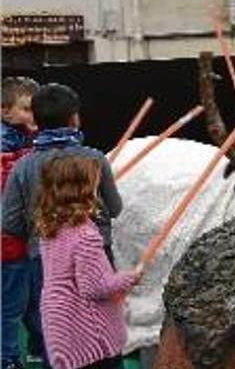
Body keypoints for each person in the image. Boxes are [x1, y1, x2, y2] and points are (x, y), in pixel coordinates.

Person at [1, 84, 124, 367]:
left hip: (44, 258)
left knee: (57, 330)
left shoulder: (24, 166)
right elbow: (115, 209)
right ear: (75, 118)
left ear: (37, 120)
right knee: (102, 324)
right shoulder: (94, 158)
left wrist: (36, 231)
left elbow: (9, 222)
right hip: (96, 254)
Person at [34, 155, 142, 369]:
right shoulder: (85, 235)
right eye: (95, 183)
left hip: (58, 320)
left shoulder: (51, 226)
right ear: (83, 189)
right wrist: (130, 277)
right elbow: (94, 287)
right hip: (89, 331)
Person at [1, 77, 40, 369]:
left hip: (28, 240)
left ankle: (37, 348)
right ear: (6, 111)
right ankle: (7, 357)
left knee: (33, 301)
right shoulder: (6, 148)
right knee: (10, 305)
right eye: (26, 109)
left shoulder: (27, 142)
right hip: (8, 243)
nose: (32, 115)